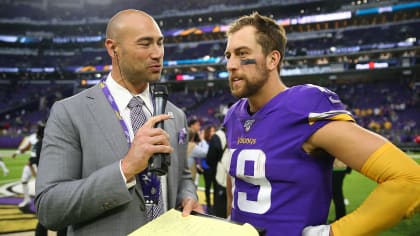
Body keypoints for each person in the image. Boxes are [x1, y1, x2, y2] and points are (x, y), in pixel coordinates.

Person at [223, 12, 420, 236]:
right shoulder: (233, 116)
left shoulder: (302, 108)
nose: (231, 65)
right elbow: (237, 182)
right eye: (228, 55)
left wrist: (334, 233)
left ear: (272, 59)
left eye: (242, 54)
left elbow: (410, 180)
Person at [35, 9, 203, 236]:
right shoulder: (70, 112)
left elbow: (182, 177)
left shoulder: (175, 115)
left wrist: (188, 196)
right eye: (145, 44)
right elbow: (50, 208)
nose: (157, 53)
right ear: (113, 49)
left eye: (160, 43)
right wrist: (125, 170)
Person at [12, 122, 43, 208]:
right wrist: (17, 152)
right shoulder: (33, 137)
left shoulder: (48, 138)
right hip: (31, 162)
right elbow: (27, 148)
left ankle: (44, 202)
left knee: (41, 185)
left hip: (41, 164)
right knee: (24, 181)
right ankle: (26, 199)